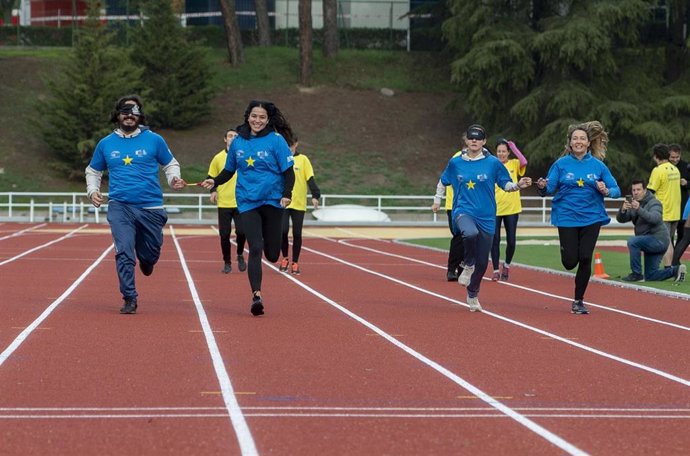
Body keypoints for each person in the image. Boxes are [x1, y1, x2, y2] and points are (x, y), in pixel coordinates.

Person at [85, 95, 186, 314]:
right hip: (120, 206)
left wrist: (173, 179)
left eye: (134, 112)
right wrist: (93, 191)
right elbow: (93, 171)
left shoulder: (154, 140)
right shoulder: (106, 143)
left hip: (150, 207)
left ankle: (147, 260)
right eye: (125, 112)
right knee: (124, 252)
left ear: (140, 115)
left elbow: (170, 164)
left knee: (149, 255)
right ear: (117, 115)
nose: (129, 116)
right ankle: (129, 297)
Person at [201, 100, 295, 317]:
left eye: (262, 117)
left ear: (268, 119)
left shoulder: (276, 141)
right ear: (248, 117)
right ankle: (256, 295)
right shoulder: (238, 142)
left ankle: (272, 254)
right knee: (255, 247)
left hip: (272, 201)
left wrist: (286, 194)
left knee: (272, 254)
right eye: (254, 116)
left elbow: (289, 172)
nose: (257, 121)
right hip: (247, 201)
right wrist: (214, 181)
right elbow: (229, 170)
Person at [439, 124, 532, 312]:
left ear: (484, 141)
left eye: (478, 137)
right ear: (466, 140)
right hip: (463, 210)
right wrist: (436, 199)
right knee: (469, 233)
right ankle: (467, 264)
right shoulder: (456, 162)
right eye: (471, 137)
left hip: (487, 216)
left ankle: (473, 292)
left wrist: (518, 185)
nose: (474, 140)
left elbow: (505, 185)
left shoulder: (493, 163)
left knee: (483, 263)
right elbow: (443, 181)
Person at [536, 121, 621, 315]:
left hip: (592, 217)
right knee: (569, 262)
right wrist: (541, 186)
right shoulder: (561, 164)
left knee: (585, 258)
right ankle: (567, 251)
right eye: (575, 139)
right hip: (566, 216)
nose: (579, 142)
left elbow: (616, 190)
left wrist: (606, 190)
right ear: (570, 143)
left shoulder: (598, 166)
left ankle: (578, 300)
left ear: (589, 143)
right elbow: (548, 189)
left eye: (582, 138)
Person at [616, 180, 685, 282]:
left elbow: (655, 219)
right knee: (651, 275)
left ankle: (636, 274)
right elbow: (621, 220)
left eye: (638, 189)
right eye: (633, 190)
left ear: (645, 190)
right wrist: (623, 210)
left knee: (633, 242)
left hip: (658, 240)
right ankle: (675, 270)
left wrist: (639, 209)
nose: (635, 192)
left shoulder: (654, 202)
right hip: (648, 240)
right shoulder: (634, 203)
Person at [206, 129, 247, 274]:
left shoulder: (244, 155)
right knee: (224, 234)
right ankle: (227, 262)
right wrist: (213, 191)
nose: (233, 138)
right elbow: (211, 176)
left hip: (241, 201)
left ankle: (240, 253)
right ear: (225, 139)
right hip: (224, 202)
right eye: (230, 136)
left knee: (242, 231)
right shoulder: (218, 158)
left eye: (236, 136)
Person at [279, 137, 321, 275]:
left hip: (299, 204)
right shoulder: (280, 158)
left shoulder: (303, 160)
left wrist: (315, 195)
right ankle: (285, 257)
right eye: (286, 145)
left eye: (291, 144)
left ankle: (295, 262)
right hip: (283, 203)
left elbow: (310, 179)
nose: (289, 147)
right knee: (283, 231)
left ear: (296, 144)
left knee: (297, 233)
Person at [491, 138, 528, 281]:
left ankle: (506, 265)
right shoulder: (492, 165)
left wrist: (514, 147)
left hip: (512, 208)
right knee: (495, 240)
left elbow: (524, 161)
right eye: (499, 151)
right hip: (495, 208)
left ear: (508, 152)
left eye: (504, 151)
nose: (501, 154)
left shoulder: (514, 163)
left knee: (511, 241)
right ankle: (495, 270)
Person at [647, 143, 681, 267]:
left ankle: (669, 268)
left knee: (665, 242)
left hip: (664, 211)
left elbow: (650, 191)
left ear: (656, 156)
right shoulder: (675, 169)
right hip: (675, 211)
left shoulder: (658, 170)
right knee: (669, 241)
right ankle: (669, 266)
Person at [669, 144, 689, 244]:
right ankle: (671, 256)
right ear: (668, 155)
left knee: (681, 233)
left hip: (682, 205)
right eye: (672, 157)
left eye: (677, 157)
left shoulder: (686, 166)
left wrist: (687, 183)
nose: (675, 159)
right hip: (669, 205)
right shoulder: (664, 167)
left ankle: (676, 256)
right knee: (669, 235)